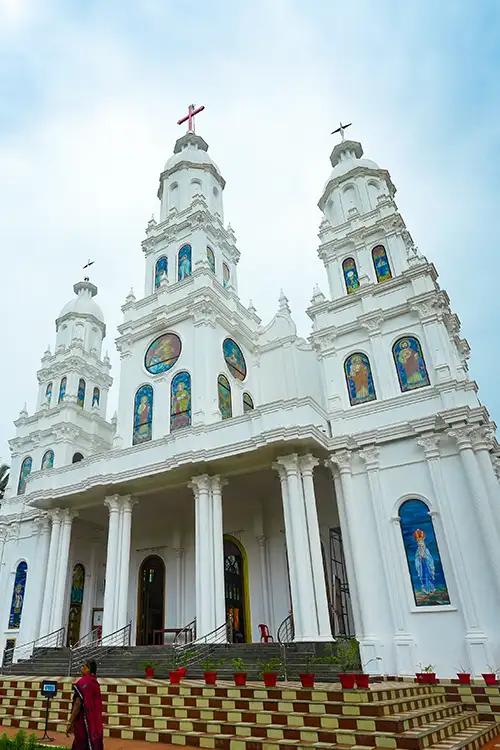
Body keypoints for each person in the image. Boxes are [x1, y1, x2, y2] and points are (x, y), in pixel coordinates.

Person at [66, 659, 104, 750]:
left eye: (83, 666)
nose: (81, 668)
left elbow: (77, 704)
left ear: (88, 669)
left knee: (81, 744)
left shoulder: (83, 683)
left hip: (84, 721)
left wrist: (70, 721)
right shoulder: (95, 683)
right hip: (95, 722)